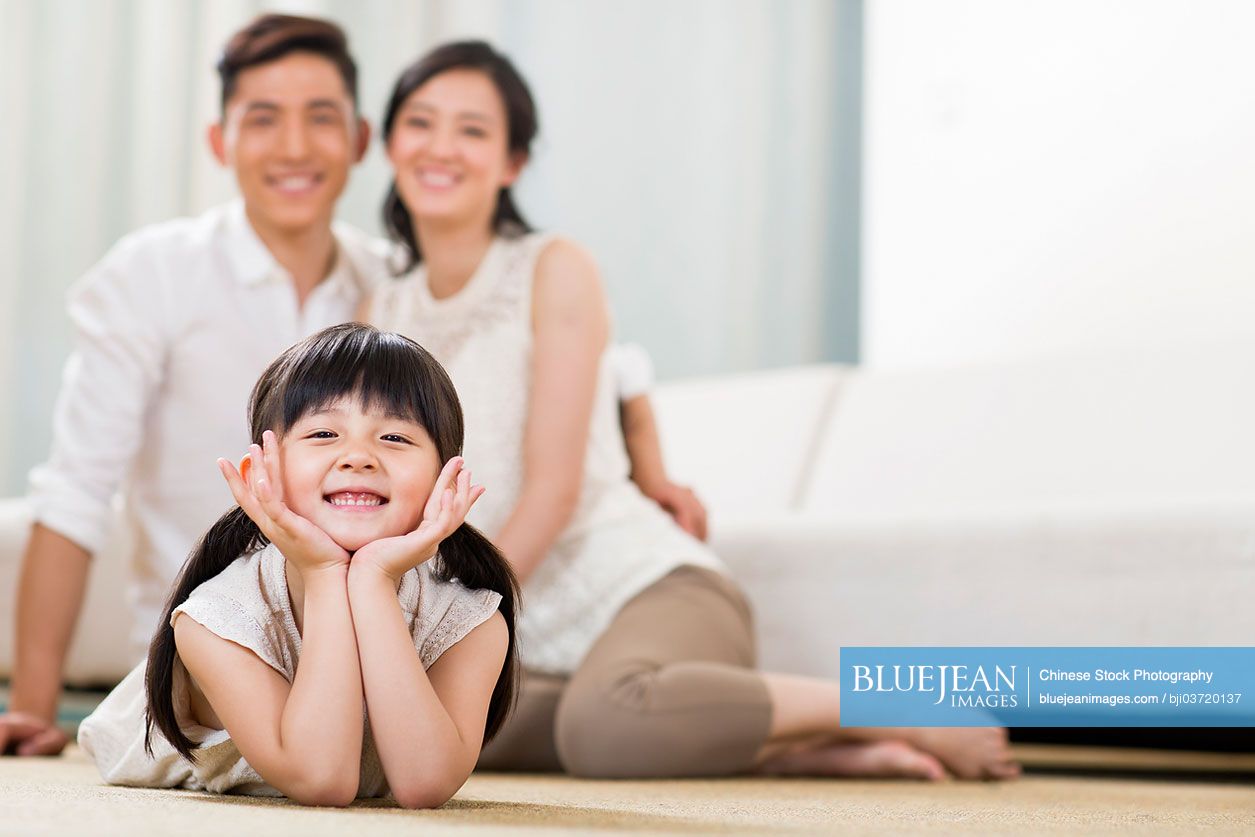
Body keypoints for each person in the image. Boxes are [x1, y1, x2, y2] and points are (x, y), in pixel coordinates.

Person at [0, 13, 694, 758]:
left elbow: (605, 359)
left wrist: (650, 466)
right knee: (578, 727)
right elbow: (74, 493)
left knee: (600, 723)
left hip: (528, 597)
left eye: (320, 118)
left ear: (361, 142)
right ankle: (817, 740)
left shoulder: (388, 287)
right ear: (219, 141)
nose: (294, 146)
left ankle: (846, 700)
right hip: (256, 641)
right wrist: (34, 707)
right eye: (263, 119)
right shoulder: (163, 276)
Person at [368, 41, 1021, 781]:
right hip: (521, 628)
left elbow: (553, 488)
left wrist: (458, 624)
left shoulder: (553, 268)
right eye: (420, 123)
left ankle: (892, 703)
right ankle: (781, 747)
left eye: (473, 130)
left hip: (642, 588)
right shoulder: (379, 308)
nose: (441, 147)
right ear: (389, 141)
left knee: (601, 723)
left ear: (513, 162)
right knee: (424, 727)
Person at [77, 324, 515, 808]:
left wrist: (372, 581)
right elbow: (322, 779)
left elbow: (424, 785)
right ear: (262, 472)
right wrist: (328, 575)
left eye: (394, 436)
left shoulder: (470, 623)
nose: (358, 457)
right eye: (324, 433)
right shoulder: (217, 619)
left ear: (446, 479)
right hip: (157, 752)